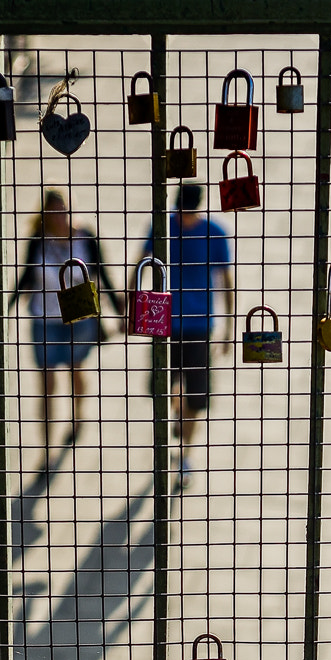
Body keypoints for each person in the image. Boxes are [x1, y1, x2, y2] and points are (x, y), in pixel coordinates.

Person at [10, 189, 122, 475]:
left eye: (64, 210)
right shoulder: (39, 241)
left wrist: (119, 308)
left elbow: (103, 272)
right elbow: (26, 275)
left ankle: (78, 415)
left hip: (79, 318)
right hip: (44, 317)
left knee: (76, 370)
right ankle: (46, 451)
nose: (61, 217)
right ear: (46, 215)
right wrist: (6, 306)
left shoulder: (86, 237)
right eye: (55, 212)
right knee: (46, 386)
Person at [136, 181, 234, 493]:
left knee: (194, 395)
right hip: (163, 321)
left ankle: (185, 456)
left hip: (197, 325)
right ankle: (178, 416)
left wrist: (228, 328)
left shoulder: (213, 233)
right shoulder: (166, 227)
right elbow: (141, 262)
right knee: (165, 388)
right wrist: (132, 304)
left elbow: (225, 280)